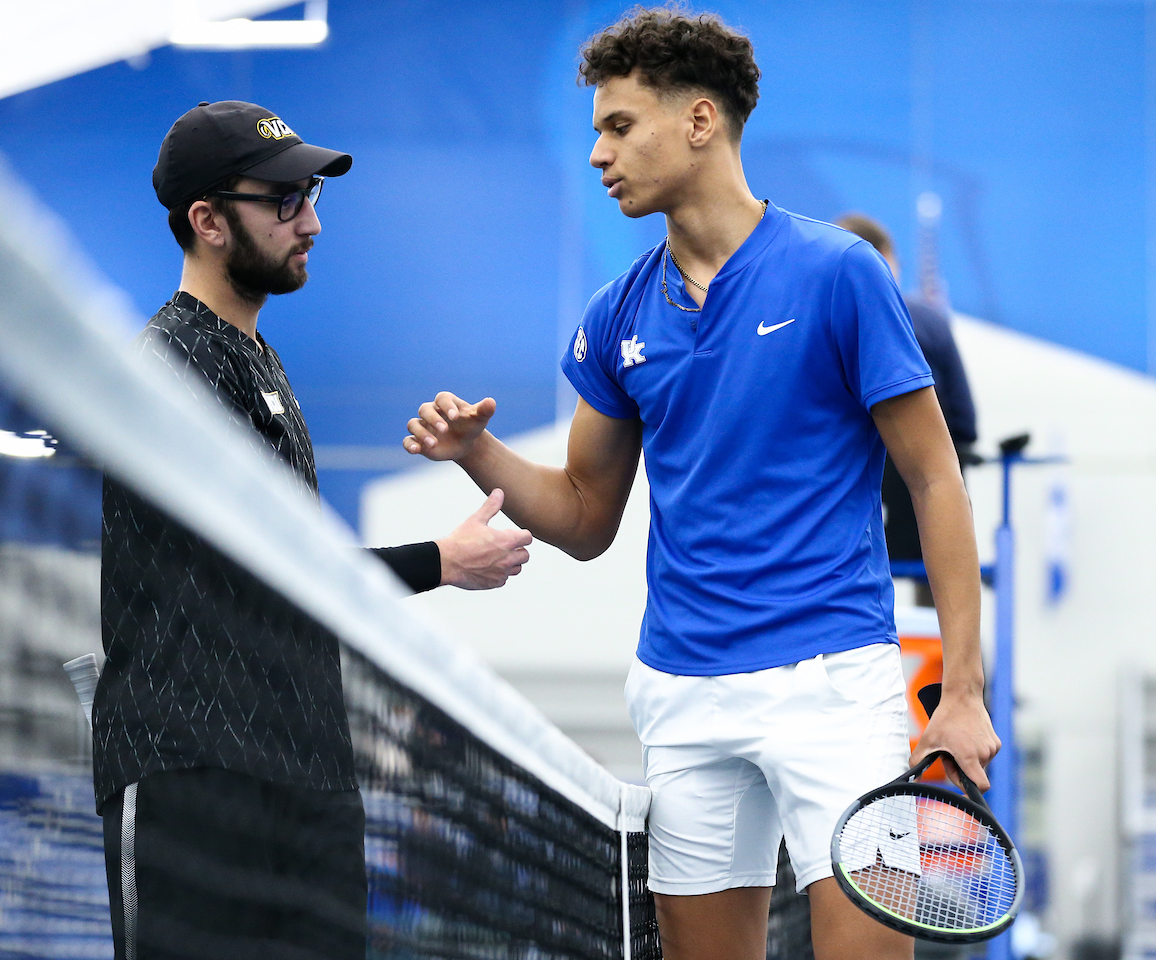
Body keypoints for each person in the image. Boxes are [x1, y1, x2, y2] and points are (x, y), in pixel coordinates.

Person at [403, 10, 998, 960]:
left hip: (836, 687)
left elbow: (936, 479)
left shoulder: (840, 274)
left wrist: (960, 690)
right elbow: (588, 515)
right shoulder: (618, 312)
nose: (600, 151)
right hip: (684, 696)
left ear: (699, 121)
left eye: (619, 124)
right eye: (597, 128)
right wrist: (480, 454)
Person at [93, 100, 532, 960]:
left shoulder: (259, 360)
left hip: (305, 780)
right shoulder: (166, 367)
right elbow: (267, 573)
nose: (313, 222)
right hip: (194, 780)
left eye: (316, 198)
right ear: (208, 221)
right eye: (286, 200)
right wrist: (440, 560)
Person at [836, 213, 978, 606]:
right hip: (921, 501)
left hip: (846, 507)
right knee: (939, 600)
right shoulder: (930, 321)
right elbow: (965, 423)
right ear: (887, 258)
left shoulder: (824, 323)